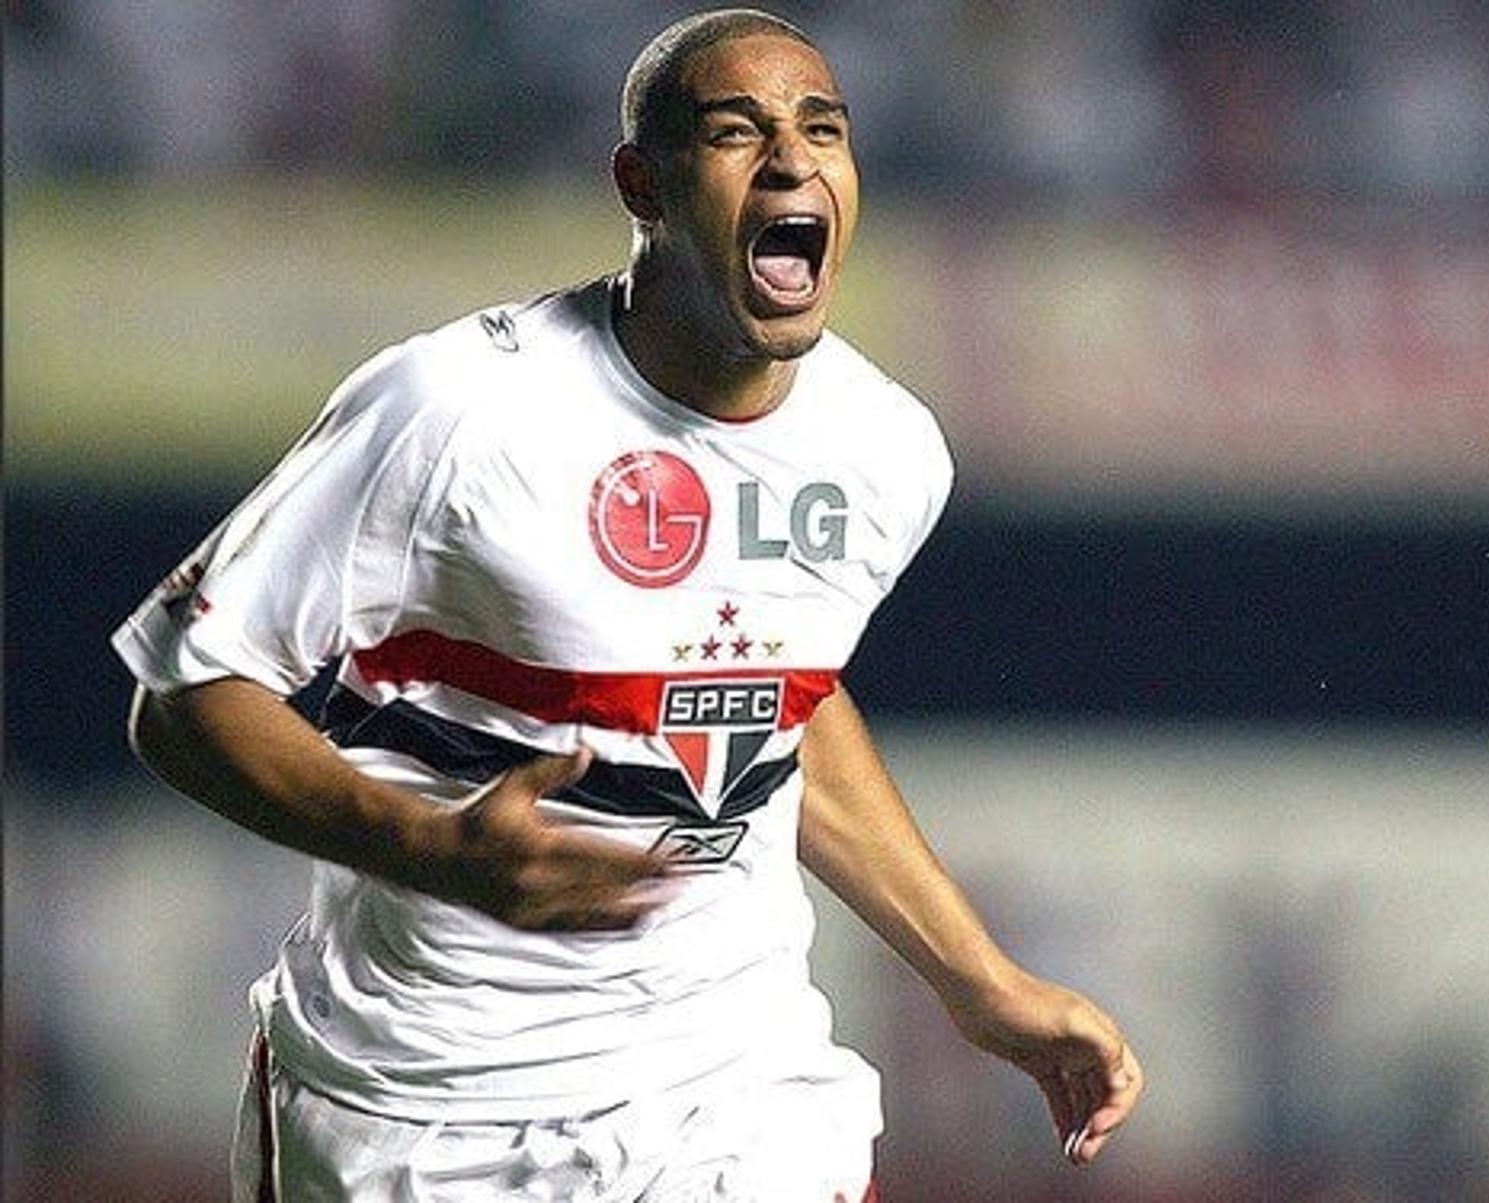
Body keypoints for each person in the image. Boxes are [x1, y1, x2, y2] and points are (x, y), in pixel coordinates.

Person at [114, 8, 1141, 1201]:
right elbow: (182, 695)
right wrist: (429, 849)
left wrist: (979, 978)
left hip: (726, 1087)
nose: (792, 161)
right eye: (734, 131)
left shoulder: (884, 449)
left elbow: (776, 702)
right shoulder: (454, 412)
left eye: (823, 129)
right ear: (641, 185)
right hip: (426, 1109)